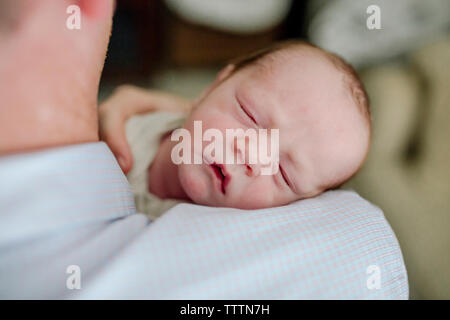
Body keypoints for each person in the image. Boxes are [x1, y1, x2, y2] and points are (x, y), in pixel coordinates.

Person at [98, 41, 371, 219]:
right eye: (250, 116)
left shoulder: (207, 249)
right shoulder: (130, 125)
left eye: (284, 175)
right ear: (215, 84)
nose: (252, 157)